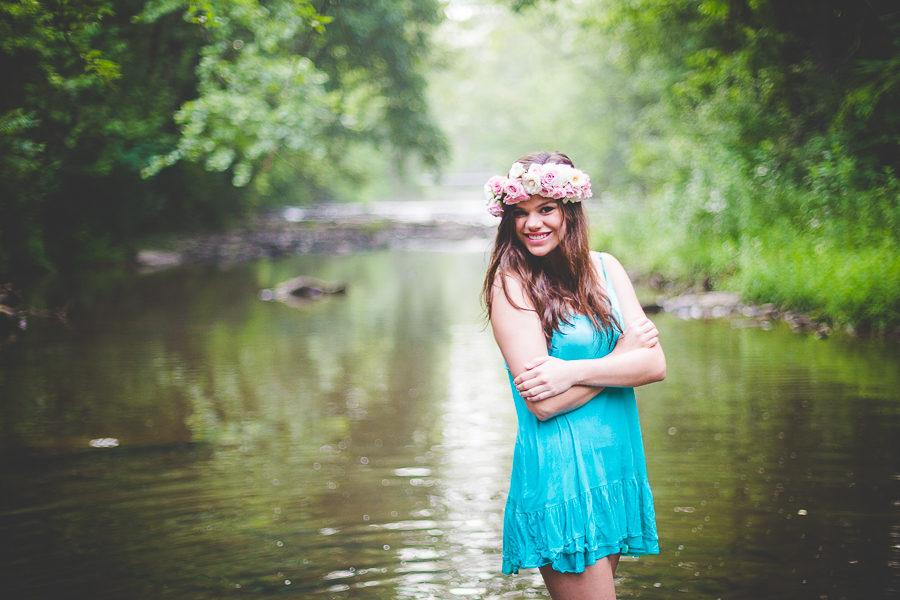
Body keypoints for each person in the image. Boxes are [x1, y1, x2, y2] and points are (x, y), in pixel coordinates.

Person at [482, 151, 666, 600]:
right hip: (564, 472)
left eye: (546, 209)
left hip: (615, 464)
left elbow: (654, 365)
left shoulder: (606, 268)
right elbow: (543, 402)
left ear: (570, 211)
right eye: (521, 213)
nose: (533, 223)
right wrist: (621, 359)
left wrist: (574, 371)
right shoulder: (511, 282)